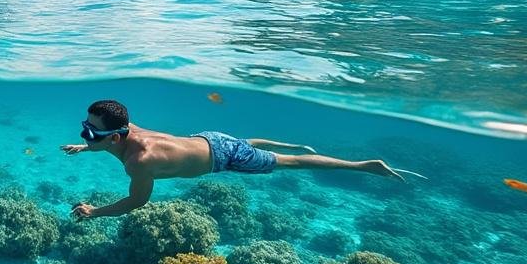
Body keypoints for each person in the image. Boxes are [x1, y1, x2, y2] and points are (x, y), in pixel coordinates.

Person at [63, 99, 404, 220]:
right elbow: (108, 141)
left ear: (116, 136)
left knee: (291, 162)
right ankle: (282, 142)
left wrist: (94, 212)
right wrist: (87, 147)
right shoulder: (127, 128)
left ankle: (364, 166)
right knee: (244, 143)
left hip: (222, 156)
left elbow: (136, 203)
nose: (84, 135)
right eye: (84, 128)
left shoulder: (139, 162)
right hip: (207, 137)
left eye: (90, 132)